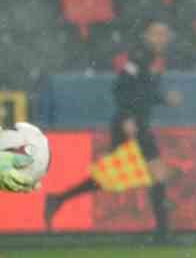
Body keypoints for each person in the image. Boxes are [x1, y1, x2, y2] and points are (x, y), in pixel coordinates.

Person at [45, 21, 182, 241]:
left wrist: (165, 99)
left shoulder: (153, 59)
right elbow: (121, 87)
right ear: (146, 36)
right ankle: (163, 234)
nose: (161, 38)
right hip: (130, 123)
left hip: (137, 122)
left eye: (164, 33)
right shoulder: (140, 57)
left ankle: (58, 199)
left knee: (113, 177)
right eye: (156, 33)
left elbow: (143, 91)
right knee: (157, 172)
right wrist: (128, 117)